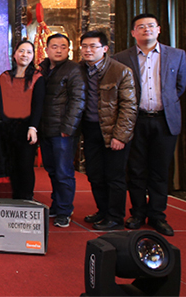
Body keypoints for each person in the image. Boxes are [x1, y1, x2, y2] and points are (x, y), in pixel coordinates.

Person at [113, 13, 186, 236]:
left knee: (160, 170)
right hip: (135, 120)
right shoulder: (121, 58)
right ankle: (137, 213)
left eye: (151, 26)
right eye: (141, 27)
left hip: (164, 121)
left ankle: (157, 215)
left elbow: (179, 86)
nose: (147, 29)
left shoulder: (176, 55)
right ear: (133, 32)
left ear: (159, 29)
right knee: (136, 170)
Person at [79, 30, 137, 231]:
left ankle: (115, 217)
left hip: (113, 131)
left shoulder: (121, 71)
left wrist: (120, 136)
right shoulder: (79, 69)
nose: (88, 50)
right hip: (90, 129)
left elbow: (129, 107)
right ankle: (102, 211)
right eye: (84, 46)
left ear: (104, 49)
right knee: (94, 174)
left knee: (114, 176)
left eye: (93, 46)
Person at [39, 33, 85, 228]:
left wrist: (69, 128)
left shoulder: (74, 69)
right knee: (51, 170)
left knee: (64, 171)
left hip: (63, 131)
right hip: (45, 129)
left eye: (63, 47)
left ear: (69, 50)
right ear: (47, 49)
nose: (58, 50)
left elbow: (78, 100)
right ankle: (57, 204)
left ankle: (65, 210)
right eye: (54, 46)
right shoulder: (42, 69)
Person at [0, 40, 44, 200]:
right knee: (12, 166)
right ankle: (16, 199)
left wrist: (33, 127)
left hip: (27, 129)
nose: (25, 55)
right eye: (21, 51)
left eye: (29, 52)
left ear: (33, 56)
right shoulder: (4, 77)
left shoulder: (37, 78)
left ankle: (26, 199)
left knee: (25, 166)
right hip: (7, 129)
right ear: (15, 54)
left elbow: (38, 105)